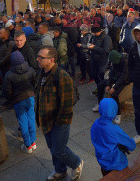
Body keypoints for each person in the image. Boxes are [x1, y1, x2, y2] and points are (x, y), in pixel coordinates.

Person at [34, 46, 83, 181]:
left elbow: (67, 105)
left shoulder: (62, 76)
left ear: (52, 60)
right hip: (45, 120)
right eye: (38, 56)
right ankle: (60, 170)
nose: (37, 59)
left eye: (41, 57)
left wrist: (60, 123)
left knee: (59, 150)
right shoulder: (41, 72)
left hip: (59, 122)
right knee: (52, 147)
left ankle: (77, 163)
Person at [91, 98, 136, 176]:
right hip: (117, 164)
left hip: (103, 163)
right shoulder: (114, 129)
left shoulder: (95, 124)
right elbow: (131, 145)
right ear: (114, 111)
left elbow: (94, 139)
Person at [3, 51, 37, 153]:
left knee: (23, 122)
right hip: (30, 97)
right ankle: (33, 142)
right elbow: (35, 83)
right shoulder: (30, 70)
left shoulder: (9, 75)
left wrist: (10, 99)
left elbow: (7, 91)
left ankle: (28, 145)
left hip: (18, 100)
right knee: (31, 118)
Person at [92, 50, 129, 124]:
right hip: (115, 78)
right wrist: (108, 84)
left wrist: (114, 87)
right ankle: (100, 104)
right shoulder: (114, 61)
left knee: (114, 94)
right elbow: (111, 72)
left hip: (123, 81)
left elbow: (123, 77)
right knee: (100, 85)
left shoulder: (125, 62)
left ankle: (118, 114)